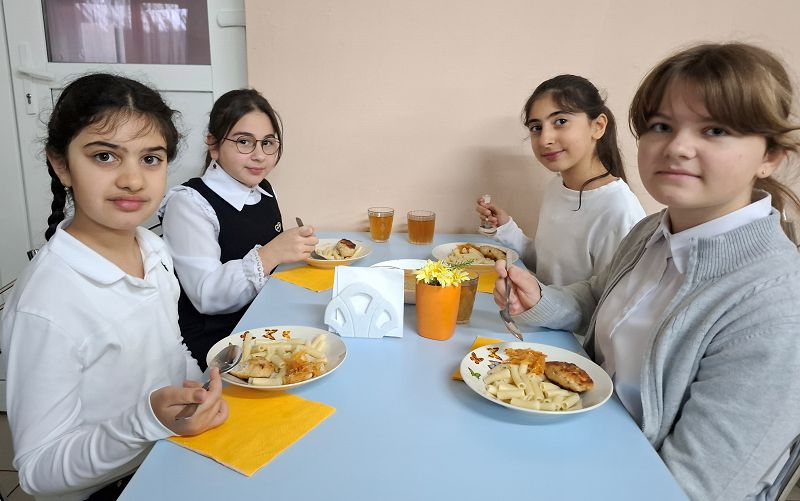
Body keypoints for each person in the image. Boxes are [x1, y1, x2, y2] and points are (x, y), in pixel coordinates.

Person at [494, 43, 800, 500]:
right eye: (661, 126)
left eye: (715, 130)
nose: (677, 147)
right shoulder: (651, 230)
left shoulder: (776, 304)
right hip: (574, 434)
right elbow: (597, 297)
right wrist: (540, 300)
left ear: (770, 156)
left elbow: (696, 486)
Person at [0, 73, 228, 500]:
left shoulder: (153, 249)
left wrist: (202, 389)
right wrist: (147, 422)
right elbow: (37, 470)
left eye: (151, 159)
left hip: (175, 454)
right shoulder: (47, 304)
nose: (133, 180)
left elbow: (170, 348)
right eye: (105, 156)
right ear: (61, 165)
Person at [158, 89, 318, 368]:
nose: (259, 156)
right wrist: (271, 253)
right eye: (244, 142)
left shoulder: (263, 189)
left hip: (264, 322)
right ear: (213, 145)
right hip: (220, 346)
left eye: (268, 143)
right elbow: (206, 295)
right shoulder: (189, 203)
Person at [476, 75, 646, 285]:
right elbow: (548, 266)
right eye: (536, 127)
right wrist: (505, 227)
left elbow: (610, 300)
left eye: (561, 122)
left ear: (598, 126)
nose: (545, 139)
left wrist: (541, 301)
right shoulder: (556, 188)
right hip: (540, 305)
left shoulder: (620, 211)